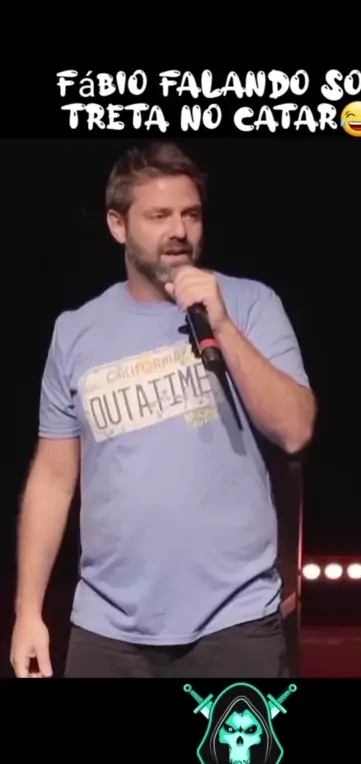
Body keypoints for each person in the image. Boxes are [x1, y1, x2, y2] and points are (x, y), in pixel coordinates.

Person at [10, 141, 316, 678]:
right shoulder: (75, 331)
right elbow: (54, 479)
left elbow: (295, 429)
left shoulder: (250, 305)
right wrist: (28, 612)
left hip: (235, 622)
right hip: (108, 630)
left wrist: (222, 325)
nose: (179, 230)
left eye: (190, 215)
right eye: (159, 216)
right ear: (118, 225)